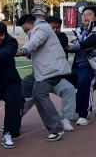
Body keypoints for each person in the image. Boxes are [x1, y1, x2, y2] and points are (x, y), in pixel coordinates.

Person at [15, 14, 70, 142]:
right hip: (42, 71)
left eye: (27, 30)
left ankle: (56, 128)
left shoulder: (42, 29)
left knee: (39, 93)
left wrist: (20, 51)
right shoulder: (37, 31)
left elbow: (34, 43)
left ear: (33, 24)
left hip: (52, 70)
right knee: (21, 90)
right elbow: (35, 48)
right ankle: (13, 122)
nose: (27, 32)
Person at [70, 6, 96, 127]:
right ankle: (75, 109)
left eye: (89, 14)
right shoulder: (78, 30)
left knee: (85, 83)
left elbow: (88, 42)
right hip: (79, 65)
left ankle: (84, 115)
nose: (85, 17)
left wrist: (73, 46)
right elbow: (73, 42)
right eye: (84, 15)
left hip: (95, 66)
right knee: (62, 82)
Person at [0, 21, 24, 148]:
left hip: (9, 81)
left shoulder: (11, 42)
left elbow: (8, 51)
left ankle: (9, 133)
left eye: (0, 35)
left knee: (15, 100)